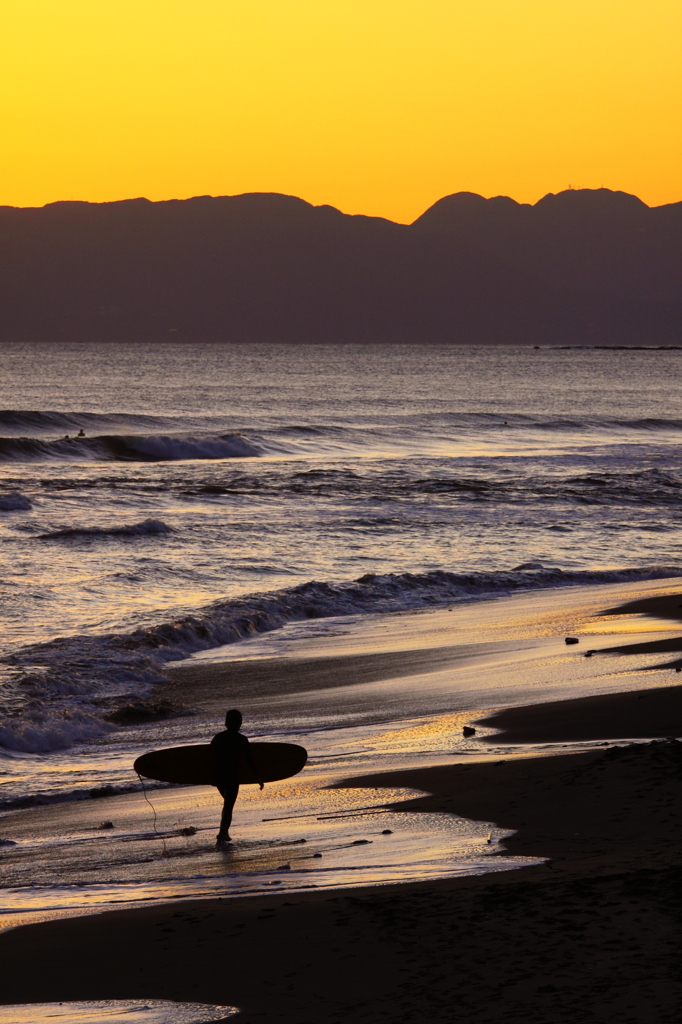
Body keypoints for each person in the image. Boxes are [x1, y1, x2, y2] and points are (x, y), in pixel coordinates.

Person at [211, 708, 263, 845]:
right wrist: (257, 777)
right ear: (239, 723)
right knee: (228, 806)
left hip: (220, 777)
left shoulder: (218, 738)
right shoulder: (241, 740)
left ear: (226, 723)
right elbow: (249, 760)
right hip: (232, 777)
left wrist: (211, 777)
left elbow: (210, 759)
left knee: (228, 805)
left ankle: (224, 833)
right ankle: (222, 834)